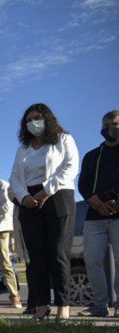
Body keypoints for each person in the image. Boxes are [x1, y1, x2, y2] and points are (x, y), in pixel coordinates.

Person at [9, 103, 79, 321]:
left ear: (47, 118)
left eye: (37, 118)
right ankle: (40, 305)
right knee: (36, 257)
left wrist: (46, 191)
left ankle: (62, 305)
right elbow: (14, 178)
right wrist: (24, 197)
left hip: (58, 197)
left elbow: (70, 166)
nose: (33, 123)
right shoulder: (23, 149)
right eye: (28, 120)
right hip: (29, 203)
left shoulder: (63, 139)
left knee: (58, 253)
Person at [77, 110, 119, 318]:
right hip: (94, 217)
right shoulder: (92, 155)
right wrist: (94, 200)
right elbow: (83, 183)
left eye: (115, 123)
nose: (111, 128)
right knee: (92, 261)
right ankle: (99, 305)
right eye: (107, 125)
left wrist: (113, 200)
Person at [0, 177, 22, 309]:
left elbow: (5, 206)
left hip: (0, 228)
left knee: (4, 263)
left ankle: (15, 297)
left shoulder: (2, 184)